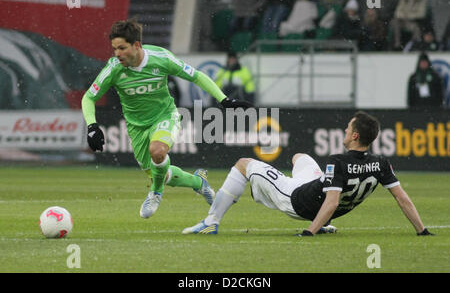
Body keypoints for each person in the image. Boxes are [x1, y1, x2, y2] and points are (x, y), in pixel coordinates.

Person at [81, 19, 252, 219]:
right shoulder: (114, 68)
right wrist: (92, 126)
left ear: (137, 45)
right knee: (164, 173)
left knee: (158, 151)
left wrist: (224, 100)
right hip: (136, 128)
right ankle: (199, 182)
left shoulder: (161, 59)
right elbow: (89, 97)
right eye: (114, 49)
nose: (117, 54)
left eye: (122, 48)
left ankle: (155, 192)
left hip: (165, 116)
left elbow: (196, 76)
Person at [183, 111, 434, 237]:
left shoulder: (338, 161)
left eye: (347, 129)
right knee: (299, 157)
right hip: (313, 188)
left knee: (243, 163)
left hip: (297, 200)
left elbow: (332, 201)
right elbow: (402, 199)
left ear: (355, 135)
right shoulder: (380, 163)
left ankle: (211, 221)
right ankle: (321, 220)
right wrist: (421, 230)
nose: (344, 131)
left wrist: (310, 231)